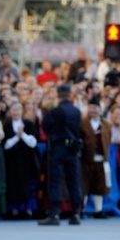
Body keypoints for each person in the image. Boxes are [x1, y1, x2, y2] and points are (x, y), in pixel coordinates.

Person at [38, 84, 83, 225]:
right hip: (72, 148)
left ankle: (54, 214)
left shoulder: (54, 111)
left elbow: (45, 127)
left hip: (58, 147)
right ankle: (76, 213)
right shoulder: (76, 111)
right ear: (70, 95)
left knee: (56, 181)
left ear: (58, 95)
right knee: (73, 181)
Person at [2, 101, 40, 218]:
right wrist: (16, 137)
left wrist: (22, 134)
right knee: (13, 184)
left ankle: (27, 209)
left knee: (26, 184)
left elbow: (33, 143)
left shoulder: (28, 124)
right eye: (14, 110)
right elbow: (6, 145)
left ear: (22, 111)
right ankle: (14, 210)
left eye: (18, 110)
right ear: (10, 112)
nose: (16, 112)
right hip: (12, 160)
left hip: (26, 159)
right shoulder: (6, 125)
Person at [80, 97, 111, 219]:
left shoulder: (106, 125)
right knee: (84, 186)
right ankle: (82, 210)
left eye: (95, 107)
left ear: (100, 109)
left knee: (100, 186)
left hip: (101, 159)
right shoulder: (82, 123)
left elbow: (109, 139)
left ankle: (99, 210)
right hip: (86, 160)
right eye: (90, 107)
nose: (92, 110)